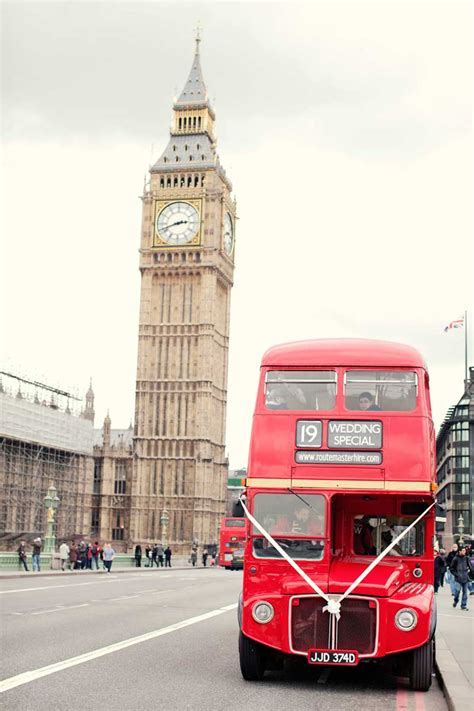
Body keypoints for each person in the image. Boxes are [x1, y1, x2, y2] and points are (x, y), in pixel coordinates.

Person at [450, 546, 474, 610]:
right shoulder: (455, 559)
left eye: (465, 551)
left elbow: (471, 567)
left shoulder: (467, 558)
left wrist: (472, 573)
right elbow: (451, 568)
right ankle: (456, 600)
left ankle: (463, 605)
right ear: (459, 551)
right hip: (458, 578)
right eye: (463, 551)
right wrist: (456, 574)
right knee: (457, 591)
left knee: (465, 592)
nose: (464, 552)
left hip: (465, 578)